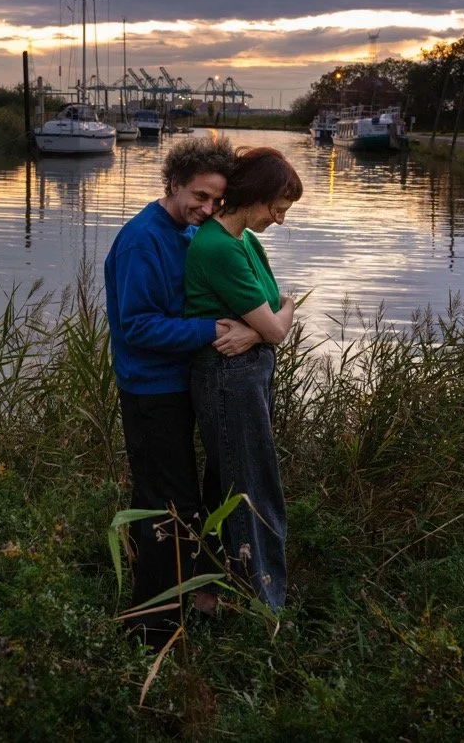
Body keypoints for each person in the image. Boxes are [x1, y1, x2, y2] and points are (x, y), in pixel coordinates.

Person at [103, 136, 261, 649]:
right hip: (150, 391)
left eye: (217, 200)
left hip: (184, 384)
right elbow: (137, 328)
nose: (208, 208)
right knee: (171, 507)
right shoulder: (142, 240)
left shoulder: (191, 234)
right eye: (199, 196)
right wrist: (213, 331)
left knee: (162, 500)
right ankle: (151, 633)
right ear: (173, 184)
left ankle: (163, 595)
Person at [184, 146, 303, 612]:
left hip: (247, 373)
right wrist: (270, 326)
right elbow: (277, 325)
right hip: (227, 378)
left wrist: (261, 329)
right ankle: (264, 604)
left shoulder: (245, 243)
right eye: (277, 209)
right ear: (255, 196)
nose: (279, 220)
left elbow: (278, 312)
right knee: (253, 488)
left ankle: (212, 594)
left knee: (228, 482)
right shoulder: (216, 247)